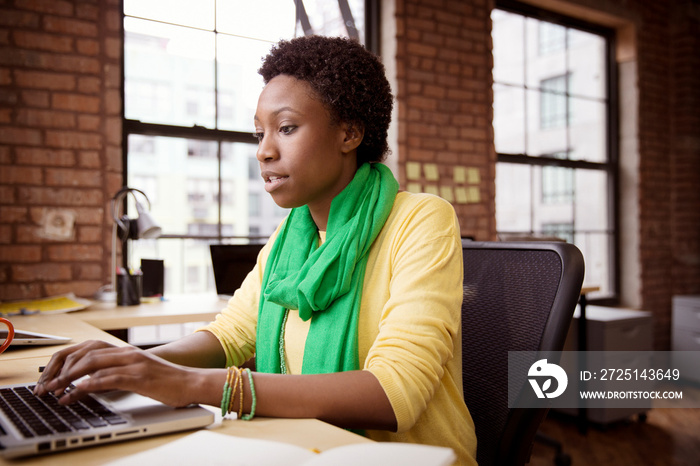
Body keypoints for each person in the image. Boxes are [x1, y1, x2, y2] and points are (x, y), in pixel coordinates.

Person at [35, 35, 477, 465]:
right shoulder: (289, 240)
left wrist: (191, 384)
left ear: (349, 134)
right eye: (258, 134)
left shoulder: (421, 220)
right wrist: (133, 364)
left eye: (286, 129)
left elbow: (393, 392)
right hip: (302, 447)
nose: (264, 151)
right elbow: (228, 336)